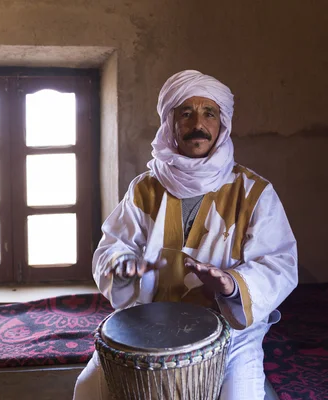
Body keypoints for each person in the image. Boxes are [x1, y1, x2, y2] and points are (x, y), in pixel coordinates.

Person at [73, 70, 298, 400]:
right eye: (186, 112)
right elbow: (114, 245)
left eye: (210, 113)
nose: (198, 123)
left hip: (229, 333)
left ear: (223, 124)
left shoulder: (253, 192)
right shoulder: (145, 189)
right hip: (150, 320)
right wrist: (121, 265)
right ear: (170, 123)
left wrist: (233, 284)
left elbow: (279, 263)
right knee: (88, 388)